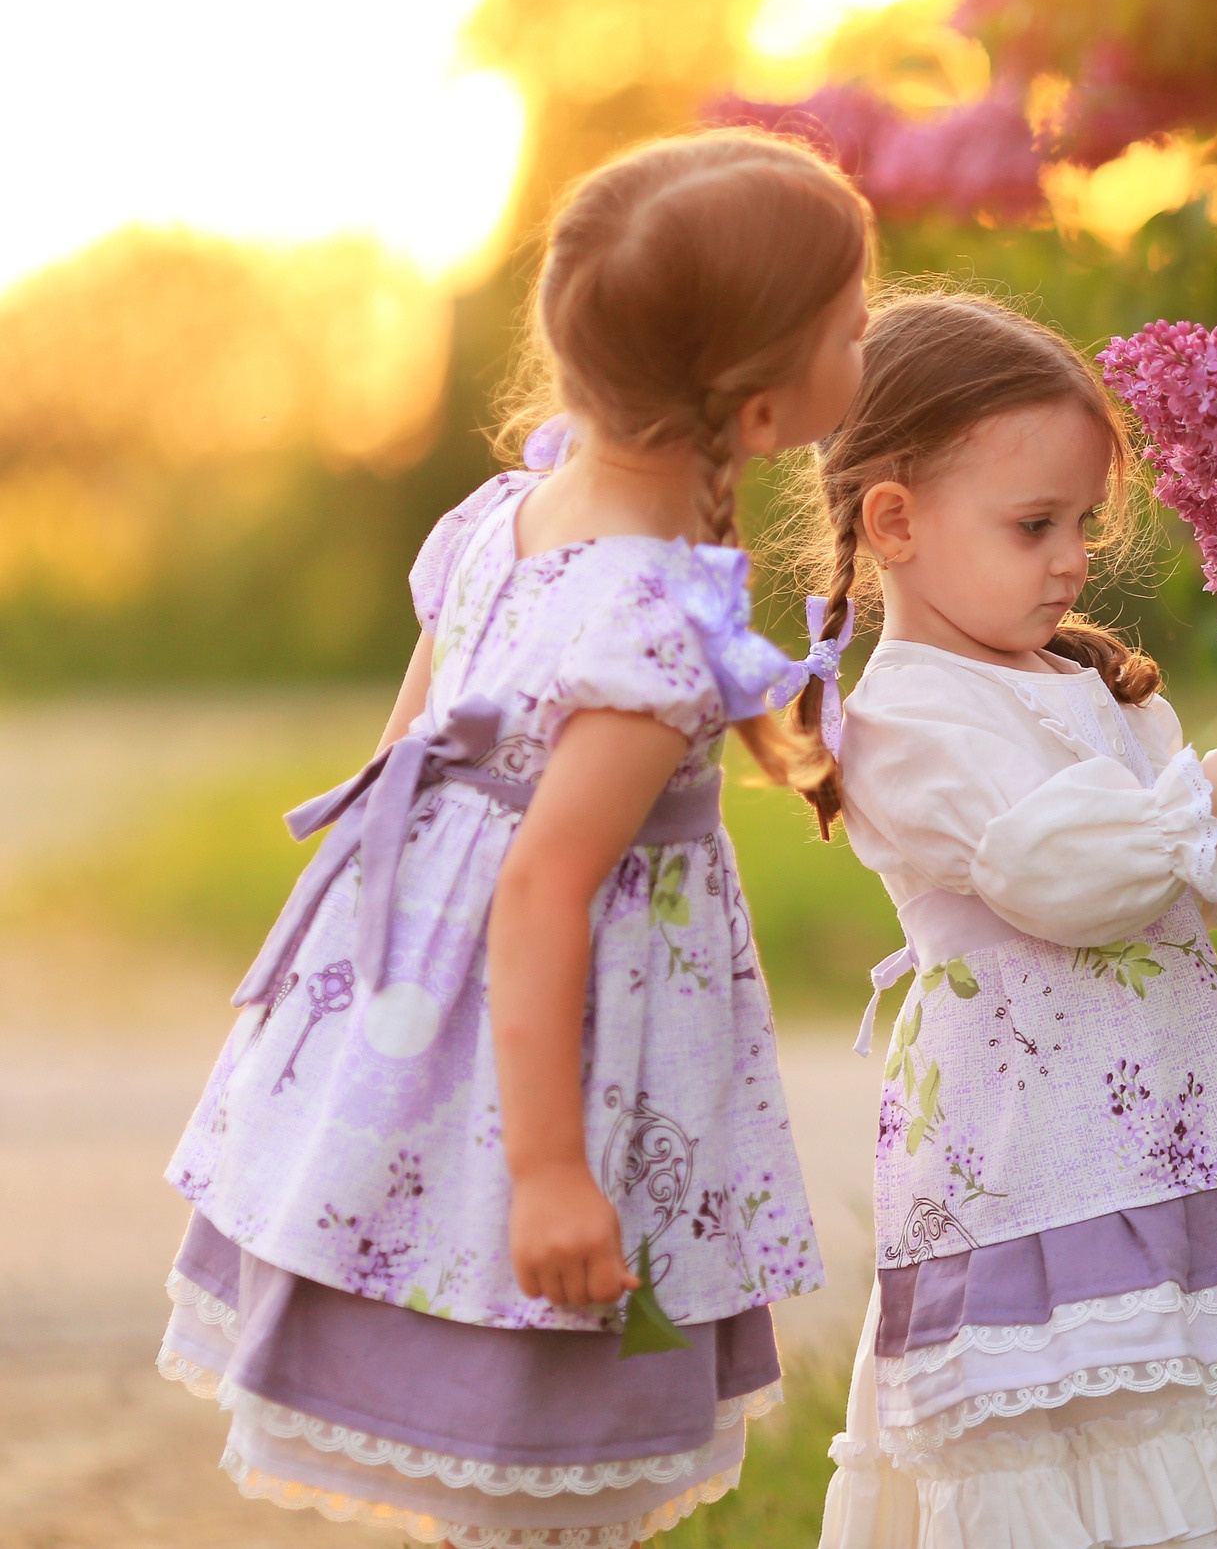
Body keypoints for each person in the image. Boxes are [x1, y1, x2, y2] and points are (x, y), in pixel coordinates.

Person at [159, 130, 868, 1547]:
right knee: (538, 1445)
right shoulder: (652, 618)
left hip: (427, 1030)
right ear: (766, 406)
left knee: (510, 1478)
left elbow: (399, 772)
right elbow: (541, 884)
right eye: (853, 325)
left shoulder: (507, 516)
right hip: (551, 1069)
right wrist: (548, 1169)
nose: (869, 339)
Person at [796, 292, 1217, 1549]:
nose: (1070, 558)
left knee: (1156, 1449)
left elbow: (1171, 892)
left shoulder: (1087, 689)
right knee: (1046, 1460)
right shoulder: (905, 720)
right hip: (1031, 1166)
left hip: (1148, 1144)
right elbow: (1061, 881)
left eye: (1081, 522)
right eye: (1033, 525)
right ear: (893, 522)